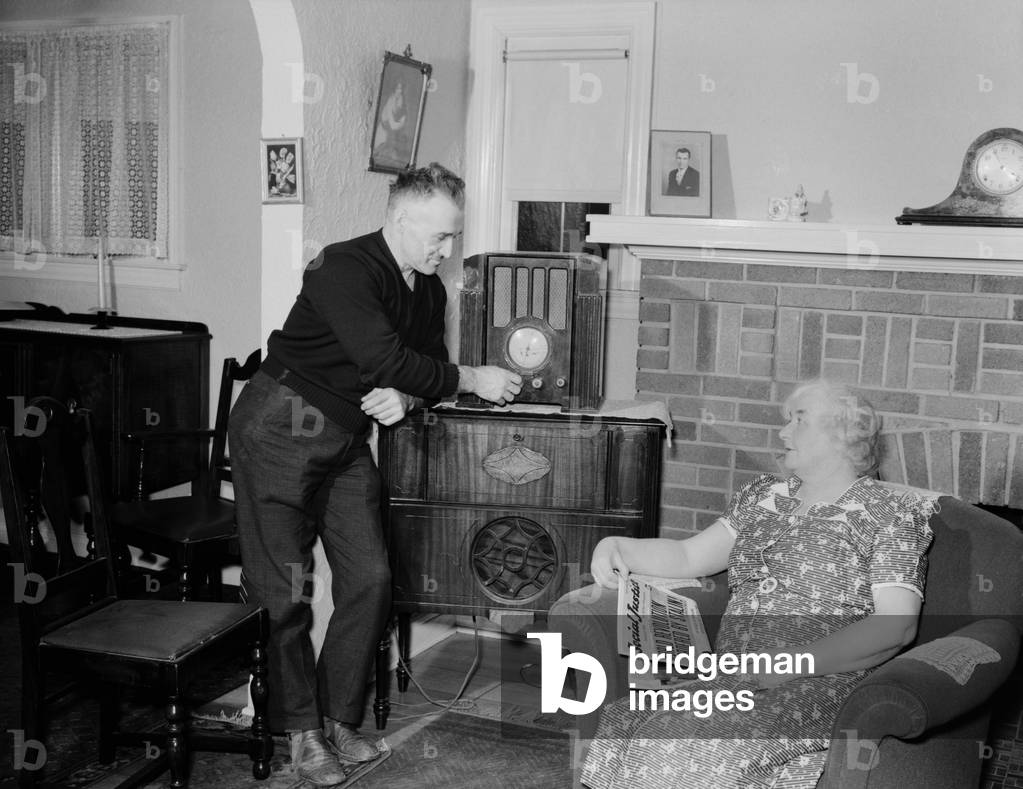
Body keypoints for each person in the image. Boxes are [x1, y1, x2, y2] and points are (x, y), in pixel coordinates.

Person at [228, 163, 522, 786]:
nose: (447, 251)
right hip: (279, 424)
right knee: (283, 594)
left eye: (453, 238)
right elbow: (385, 358)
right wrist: (473, 378)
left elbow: (420, 369)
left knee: (372, 579)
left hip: (342, 435)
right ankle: (303, 737)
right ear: (398, 219)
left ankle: (337, 720)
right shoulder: (341, 266)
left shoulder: (430, 289)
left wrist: (409, 399)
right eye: (438, 237)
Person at [580, 379, 937, 789]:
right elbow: (690, 556)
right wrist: (618, 546)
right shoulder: (762, 495)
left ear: (843, 434)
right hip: (736, 673)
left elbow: (896, 625)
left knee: (690, 741)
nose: (784, 432)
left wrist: (789, 663)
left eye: (798, 420)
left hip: (818, 677)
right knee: (627, 717)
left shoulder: (890, 512)